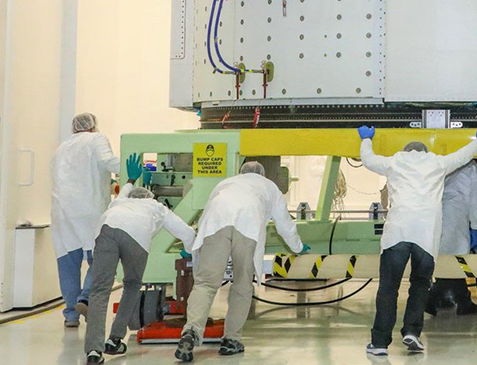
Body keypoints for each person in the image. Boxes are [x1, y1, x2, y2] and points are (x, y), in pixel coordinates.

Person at [359, 125, 477, 356]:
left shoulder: (394, 162)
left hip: (397, 236)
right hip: (425, 237)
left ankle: (380, 343)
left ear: (405, 152)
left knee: (388, 289)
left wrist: (366, 138)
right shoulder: (437, 163)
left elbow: (368, 159)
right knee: (419, 286)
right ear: (425, 152)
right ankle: (412, 332)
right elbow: (463, 156)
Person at [176, 161, 307, 362]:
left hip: (215, 224)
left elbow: (206, 215)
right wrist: (298, 247)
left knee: (205, 283)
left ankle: (190, 332)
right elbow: (285, 225)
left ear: (240, 172)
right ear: (262, 174)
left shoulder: (226, 183)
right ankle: (231, 340)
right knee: (242, 285)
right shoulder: (269, 187)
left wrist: (192, 246)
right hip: (248, 225)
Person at [84, 154, 196, 365]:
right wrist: (189, 253)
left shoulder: (121, 200)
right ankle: (115, 339)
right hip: (136, 236)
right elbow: (187, 234)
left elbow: (125, 189)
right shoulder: (157, 206)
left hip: (106, 231)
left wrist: (131, 179)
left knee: (99, 291)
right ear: (150, 197)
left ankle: (93, 351)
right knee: (132, 284)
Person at [51, 113, 120, 328]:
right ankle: (87, 298)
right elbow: (107, 161)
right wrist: (132, 169)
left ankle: (71, 315)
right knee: (101, 257)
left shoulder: (61, 148)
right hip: (90, 210)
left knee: (68, 264)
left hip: (62, 213)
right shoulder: (96, 139)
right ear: (93, 126)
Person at [426, 158, 477, 317]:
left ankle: (448, 299)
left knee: (446, 259)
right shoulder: (476, 172)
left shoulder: (452, 165)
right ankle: (435, 299)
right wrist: (475, 226)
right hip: (456, 218)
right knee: (456, 261)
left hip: (438, 215)